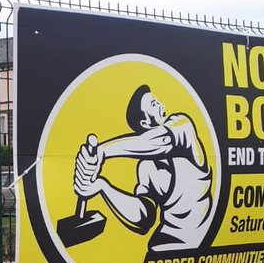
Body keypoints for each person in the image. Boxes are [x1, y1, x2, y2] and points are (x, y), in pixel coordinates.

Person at [73, 84, 213, 251]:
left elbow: (161, 141)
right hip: (166, 244)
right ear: (145, 122)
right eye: (154, 104)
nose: (162, 105)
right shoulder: (146, 167)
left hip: (203, 237)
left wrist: (102, 152)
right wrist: (103, 187)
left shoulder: (183, 127)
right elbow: (144, 217)